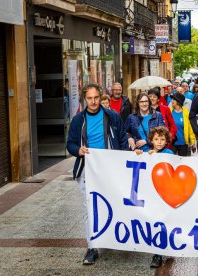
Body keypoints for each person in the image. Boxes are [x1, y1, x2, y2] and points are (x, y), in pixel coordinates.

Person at [66, 83, 129, 265]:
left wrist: (126, 162)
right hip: (87, 169)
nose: (93, 102)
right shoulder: (78, 120)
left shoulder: (112, 116)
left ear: (100, 98)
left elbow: (123, 139)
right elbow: (70, 144)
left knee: (114, 204)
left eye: (95, 98)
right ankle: (92, 247)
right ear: (84, 99)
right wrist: (78, 150)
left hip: (110, 169)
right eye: (89, 98)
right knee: (89, 208)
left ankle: (114, 238)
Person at [134, 126, 173, 268]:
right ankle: (157, 253)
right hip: (151, 195)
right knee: (155, 222)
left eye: (162, 139)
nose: (159, 142)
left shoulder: (169, 152)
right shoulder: (146, 152)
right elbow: (137, 160)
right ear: (151, 140)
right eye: (156, 139)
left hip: (165, 195)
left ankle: (162, 249)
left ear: (166, 141)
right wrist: (139, 153)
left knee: (165, 221)